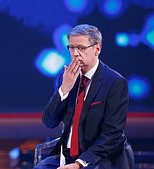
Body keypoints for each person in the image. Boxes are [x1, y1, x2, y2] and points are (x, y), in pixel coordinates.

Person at [34, 24, 133, 169]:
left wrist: (80, 164)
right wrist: (64, 89)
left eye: (81, 48)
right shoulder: (66, 77)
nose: (75, 53)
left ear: (97, 49)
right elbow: (49, 122)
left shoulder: (115, 83)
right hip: (66, 157)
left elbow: (113, 135)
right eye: (71, 48)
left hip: (97, 159)